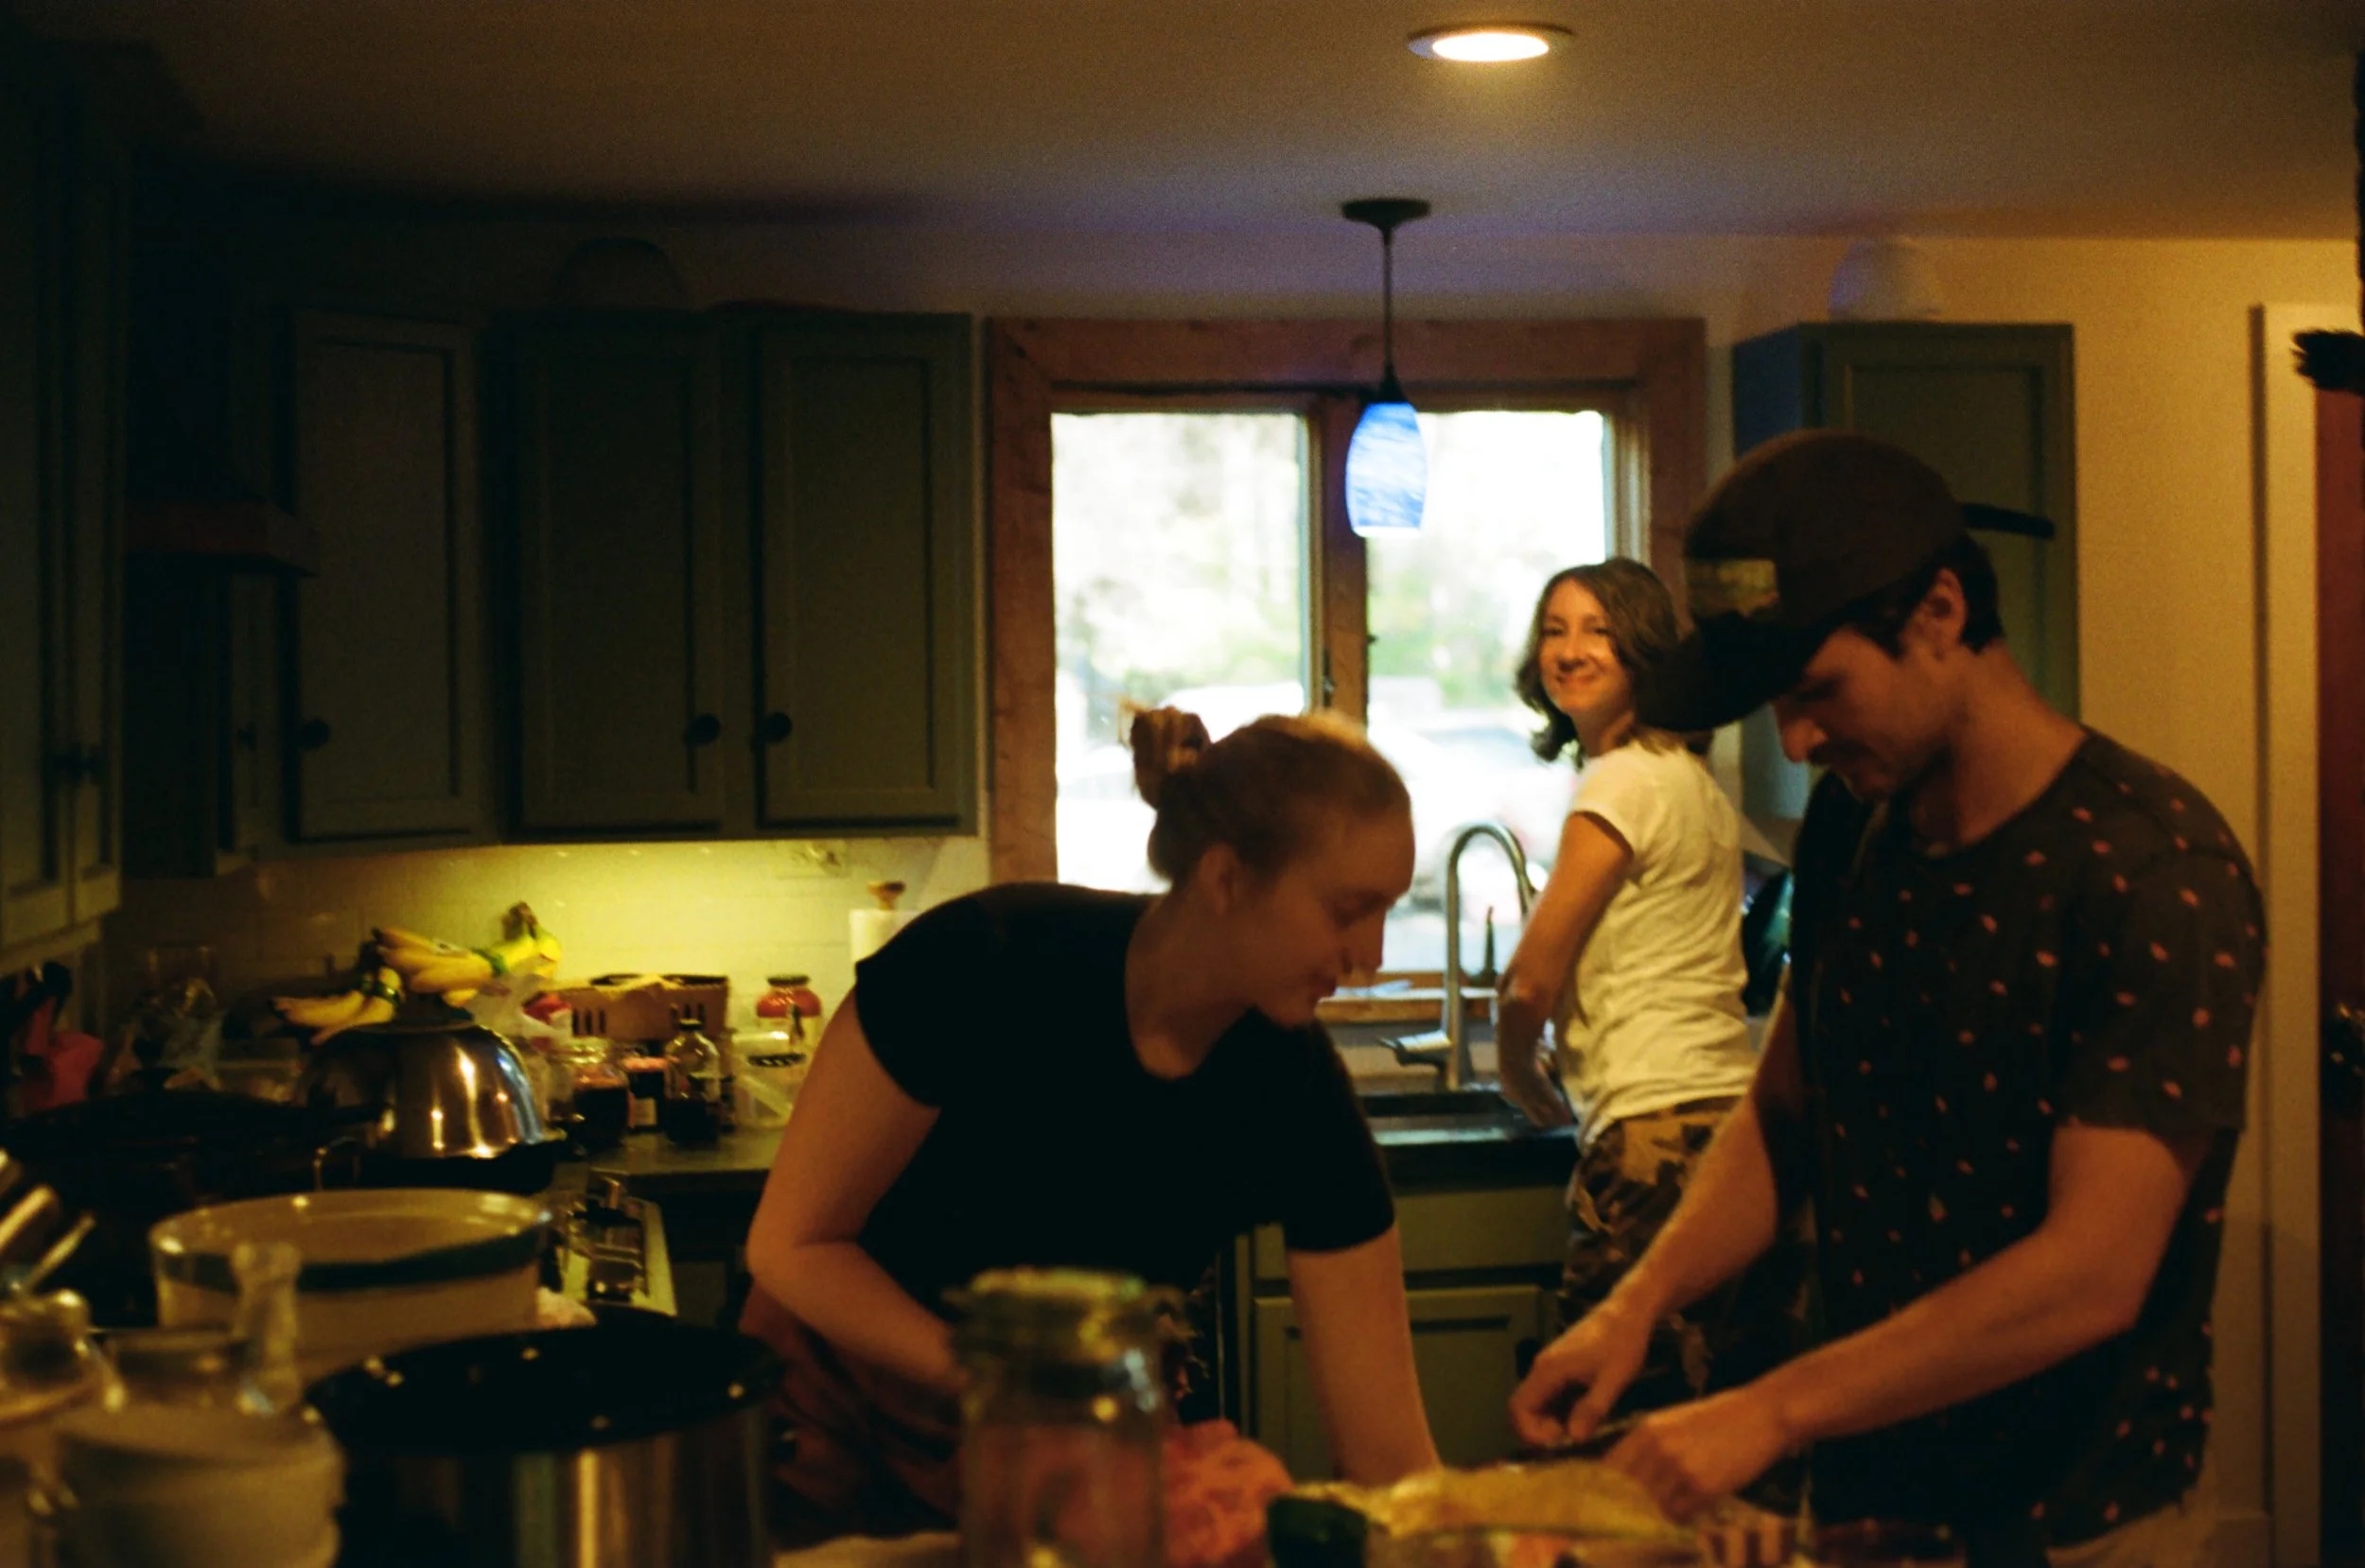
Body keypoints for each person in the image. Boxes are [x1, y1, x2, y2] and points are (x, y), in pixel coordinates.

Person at [1509, 431, 2261, 1568]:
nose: (1797, 739)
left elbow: (2092, 1271)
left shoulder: (2149, 866)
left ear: (1940, 613)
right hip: (1870, 1493)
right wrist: (1636, 1303)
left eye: (1817, 690)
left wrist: (1766, 1408)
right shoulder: (1856, 826)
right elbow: (1784, 1112)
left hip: (2074, 1519)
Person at [742, 707, 1442, 1540]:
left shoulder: (1294, 1088)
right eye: (1348, 909)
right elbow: (793, 1244)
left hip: (1063, 1449)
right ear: (1225, 880)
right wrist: (1025, 1389)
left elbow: (1387, 1455)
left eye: (1387, 911)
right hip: (830, 1435)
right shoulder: (984, 962)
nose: (1373, 953)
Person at [1491, 558, 1795, 1414]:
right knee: (1713, 1423)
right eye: (1555, 630)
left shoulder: (1619, 780)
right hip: (1733, 1133)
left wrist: (1516, 1069)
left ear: (1642, 655)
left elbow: (1529, 981)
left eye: (1598, 630)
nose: (1571, 649)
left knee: (1599, 1421)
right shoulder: (1688, 780)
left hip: (1650, 1136)